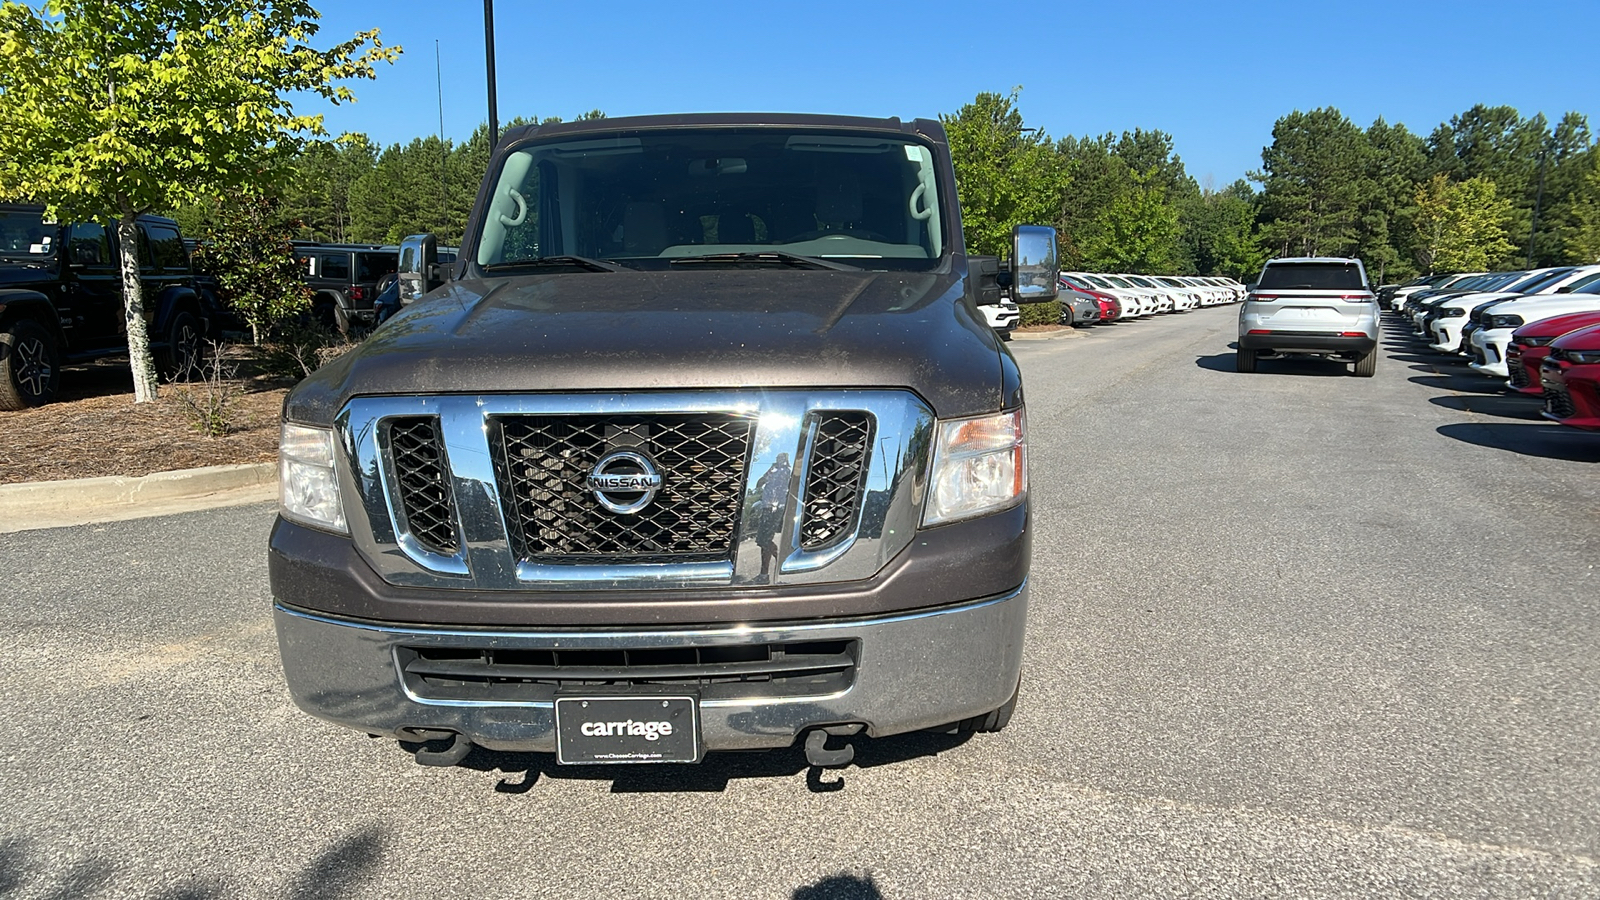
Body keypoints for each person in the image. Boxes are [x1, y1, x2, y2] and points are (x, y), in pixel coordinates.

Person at [752, 453, 791, 582]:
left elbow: (787, 487)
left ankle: (780, 565)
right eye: (778, 458)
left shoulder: (787, 472)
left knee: (765, 539)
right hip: (766, 508)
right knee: (762, 540)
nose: (780, 460)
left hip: (777, 508)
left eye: (782, 458)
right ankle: (767, 572)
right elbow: (759, 484)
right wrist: (770, 471)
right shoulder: (772, 472)